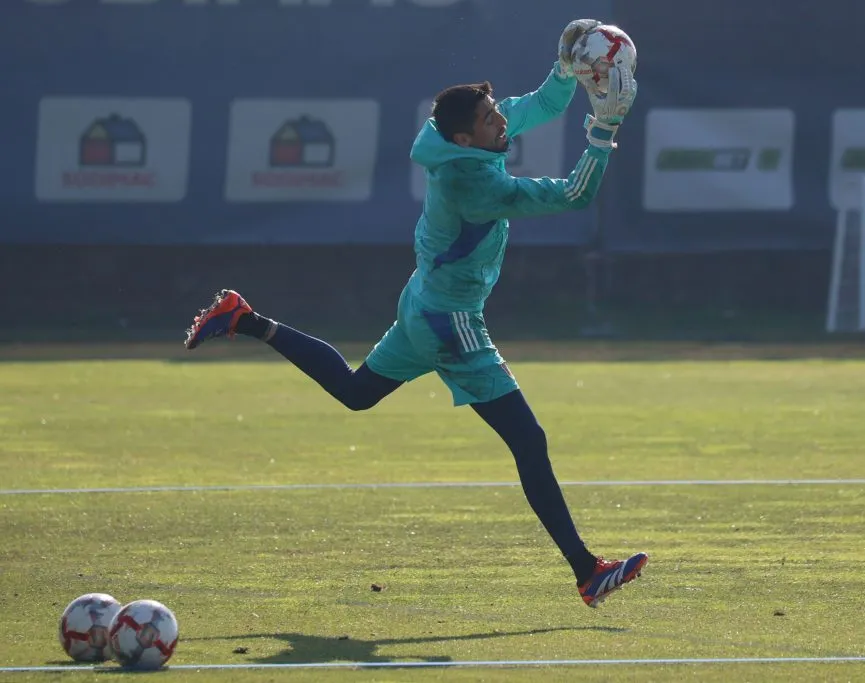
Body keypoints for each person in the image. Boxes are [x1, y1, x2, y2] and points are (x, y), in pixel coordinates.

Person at [184, 19, 646, 608]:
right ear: (464, 139)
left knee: (357, 393)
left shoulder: (454, 135)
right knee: (529, 441)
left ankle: (245, 318)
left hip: (422, 300)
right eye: (490, 120)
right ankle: (586, 570)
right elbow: (575, 194)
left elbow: (533, 106)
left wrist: (564, 72)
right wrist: (603, 130)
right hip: (450, 322)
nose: (501, 120)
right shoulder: (473, 185)